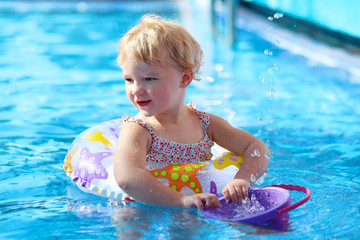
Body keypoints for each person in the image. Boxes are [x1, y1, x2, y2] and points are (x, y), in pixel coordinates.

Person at [113, 15, 270, 211]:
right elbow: (127, 177)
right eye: (129, 79)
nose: (136, 90)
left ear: (184, 78)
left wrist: (242, 180)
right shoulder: (139, 129)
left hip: (200, 206)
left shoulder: (205, 123)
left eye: (149, 78)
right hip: (145, 210)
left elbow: (256, 148)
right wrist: (181, 200)